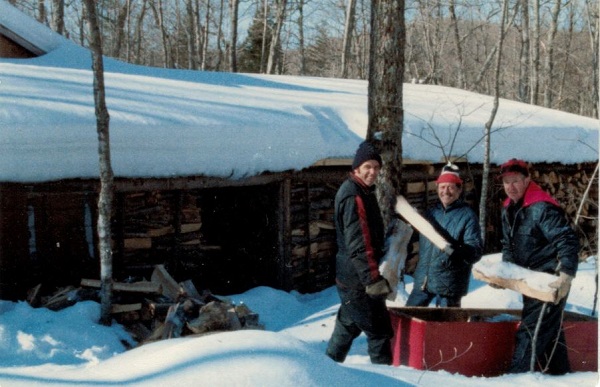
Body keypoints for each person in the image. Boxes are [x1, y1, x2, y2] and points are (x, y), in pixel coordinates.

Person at [498, 158, 579, 375]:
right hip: (529, 281)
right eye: (506, 182)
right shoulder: (509, 209)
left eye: (515, 181)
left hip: (549, 280)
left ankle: (517, 379)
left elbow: (567, 240)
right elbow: (508, 245)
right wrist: (503, 273)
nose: (510, 187)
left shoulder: (541, 208)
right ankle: (561, 377)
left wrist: (566, 275)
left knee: (530, 332)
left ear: (527, 180)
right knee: (549, 332)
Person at [325, 140, 394, 365]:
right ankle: (386, 380)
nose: (372, 172)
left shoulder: (362, 191)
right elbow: (360, 244)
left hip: (350, 277)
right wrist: (372, 280)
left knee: (348, 325)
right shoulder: (354, 195)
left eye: (376, 167)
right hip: (358, 279)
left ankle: (324, 372)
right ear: (356, 169)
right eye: (367, 167)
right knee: (379, 332)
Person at [406, 163, 483, 307]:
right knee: (409, 318)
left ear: (459, 190)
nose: (445, 191)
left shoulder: (467, 216)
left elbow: (475, 250)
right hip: (424, 280)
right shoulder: (431, 213)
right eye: (442, 187)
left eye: (451, 187)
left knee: (446, 327)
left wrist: (457, 251)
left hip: (449, 285)